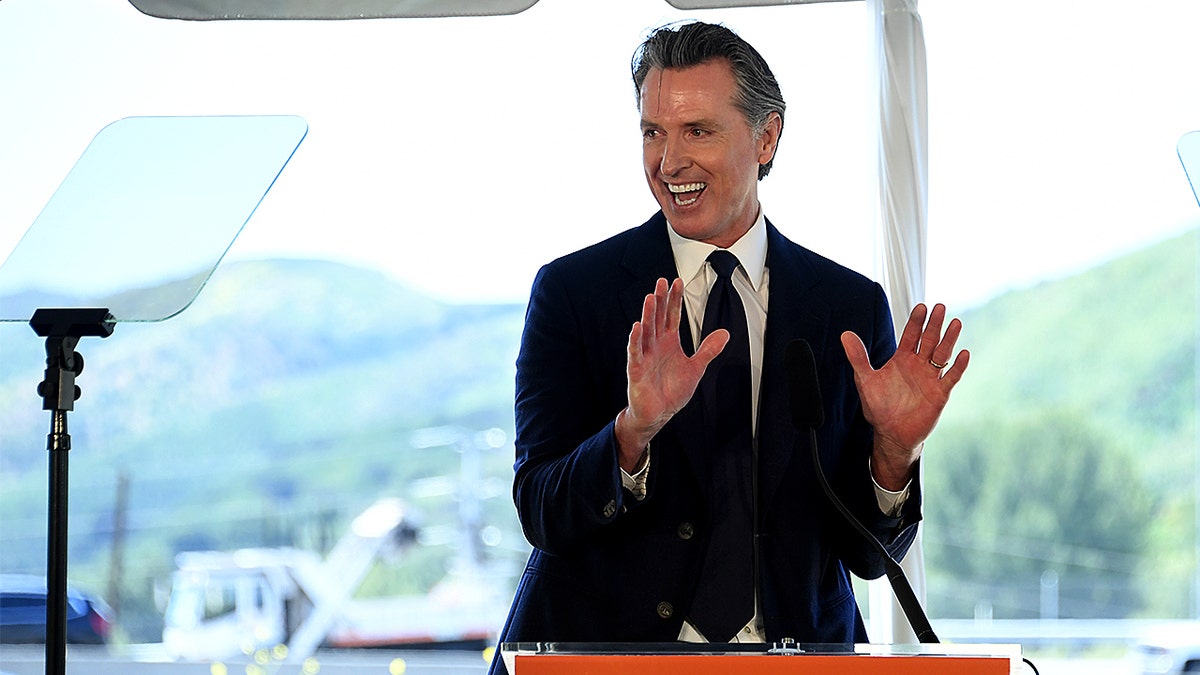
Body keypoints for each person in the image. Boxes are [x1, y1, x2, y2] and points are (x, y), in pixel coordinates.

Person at [487, 20, 967, 675]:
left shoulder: (848, 307)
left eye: (697, 131)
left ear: (766, 137)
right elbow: (541, 510)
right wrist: (631, 433)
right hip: (609, 659)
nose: (668, 162)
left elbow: (865, 554)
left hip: (796, 661)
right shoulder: (574, 292)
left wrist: (893, 453)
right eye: (652, 132)